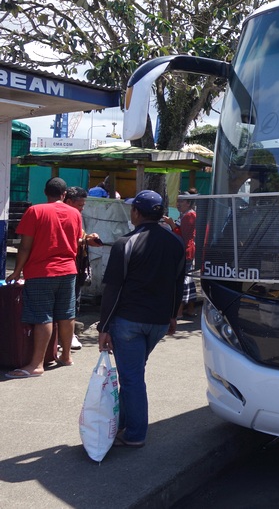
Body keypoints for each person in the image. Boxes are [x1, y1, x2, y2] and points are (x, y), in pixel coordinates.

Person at [97, 190, 185, 447]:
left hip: (128, 322)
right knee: (132, 372)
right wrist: (172, 315)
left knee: (132, 377)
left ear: (136, 212)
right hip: (158, 322)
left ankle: (135, 434)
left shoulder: (126, 243)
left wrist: (104, 326)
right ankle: (122, 422)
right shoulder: (175, 243)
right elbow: (177, 283)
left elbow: (112, 289)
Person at [4, 177, 82, 378]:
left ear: (46, 193)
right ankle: (66, 356)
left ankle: (36, 364)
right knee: (66, 313)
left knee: (42, 317)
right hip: (68, 270)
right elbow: (76, 241)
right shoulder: (75, 213)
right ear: (64, 195)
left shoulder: (35, 211)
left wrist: (17, 270)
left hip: (41, 272)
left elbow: (25, 247)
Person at [63, 186, 104, 349]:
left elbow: (79, 237)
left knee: (74, 302)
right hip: (65, 269)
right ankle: (63, 338)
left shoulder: (77, 218)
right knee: (65, 305)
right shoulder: (62, 216)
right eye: (80, 205)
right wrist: (85, 240)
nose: (82, 208)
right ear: (69, 201)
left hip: (76, 267)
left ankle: (68, 335)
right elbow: (65, 241)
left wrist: (88, 238)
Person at [162, 191, 198, 319]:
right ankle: (190, 309)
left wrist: (171, 224)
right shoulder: (184, 215)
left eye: (181, 201)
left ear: (188, 203)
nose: (178, 204)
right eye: (178, 201)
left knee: (182, 281)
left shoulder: (189, 216)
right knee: (188, 280)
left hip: (186, 251)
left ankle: (179, 311)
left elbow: (184, 236)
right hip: (185, 250)